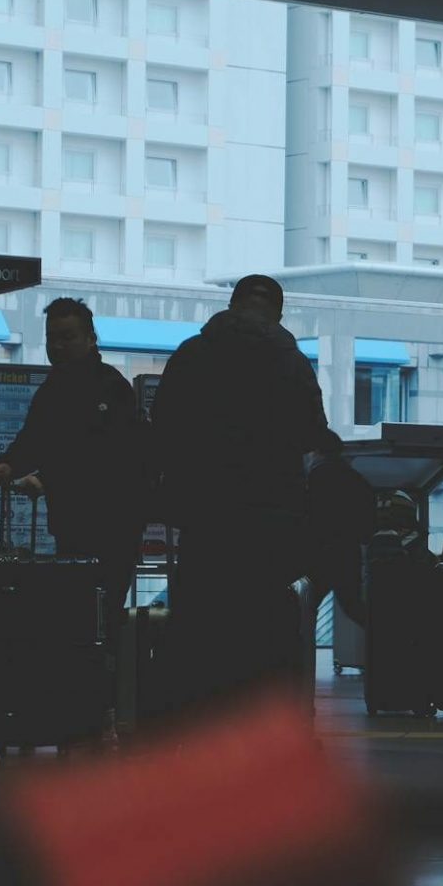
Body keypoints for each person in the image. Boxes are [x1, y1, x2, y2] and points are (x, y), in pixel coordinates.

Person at [150, 274, 328, 712]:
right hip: (271, 517)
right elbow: (313, 432)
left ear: (232, 306)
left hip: (205, 514)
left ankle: (196, 721)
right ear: (279, 313)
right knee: (264, 621)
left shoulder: (193, 354)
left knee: (202, 618)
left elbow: (163, 426)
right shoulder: (291, 362)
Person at [0, 297, 148, 644]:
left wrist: (45, 479)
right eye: (52, 338)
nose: (57, 346)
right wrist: (8, 463)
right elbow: (34, 437)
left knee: (99, 616)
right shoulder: (53, 389)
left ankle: (106, 688)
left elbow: (110, 456)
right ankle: (88, 687)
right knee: (78, 614)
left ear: (91, 339)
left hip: (114, 524)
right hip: (71, 521)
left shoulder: (112, 388)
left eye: (68, 336)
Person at [305, 428, 376, 630]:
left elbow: (310, 516)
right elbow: (368, 524)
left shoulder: (317, 476)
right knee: (353, 607)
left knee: (305, 606)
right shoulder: (356, 478)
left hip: (319, 552)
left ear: (316, 451)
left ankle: (302, 659)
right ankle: (386, 646)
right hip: (347, 553)